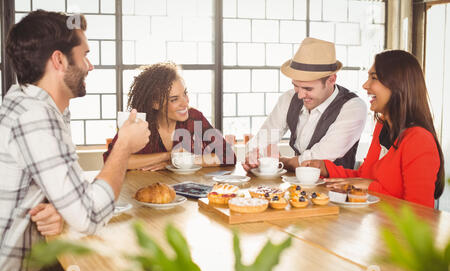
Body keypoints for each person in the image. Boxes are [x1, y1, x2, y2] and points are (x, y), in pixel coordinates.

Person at [0, 10, 150, 271]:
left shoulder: (27, 102)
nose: (90, 66)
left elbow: (66, 192)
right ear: (59, 60)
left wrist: (61, 207)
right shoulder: (35, 118)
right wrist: (124, 147)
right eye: (85, 55)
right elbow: (89, 216)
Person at [302, 50, 445, 208]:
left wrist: (370, 187)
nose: (365, 85)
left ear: (398, 85)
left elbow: (419, 212)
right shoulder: (382, 125)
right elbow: (364, 177)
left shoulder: (419, 140)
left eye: (374, 78)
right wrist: (326, 168)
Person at [243, 37, 367, 172]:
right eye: (296, 86)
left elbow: (315, 158)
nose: (300, 95)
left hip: (336, 189)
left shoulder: (353, 107)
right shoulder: (289, 98)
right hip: (296, 188)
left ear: (331, 80)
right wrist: (253, 155)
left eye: (308, 89)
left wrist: (283, 161)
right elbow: (264, 138)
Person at [103, 62, 236, 169]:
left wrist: (179, 162)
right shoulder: (139, 123)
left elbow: (228, 156)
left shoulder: (195, 118)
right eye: (174, 99)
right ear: (155, 104)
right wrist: (168, 156)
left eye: (185, 93)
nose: (185, 103)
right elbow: (113, 161)